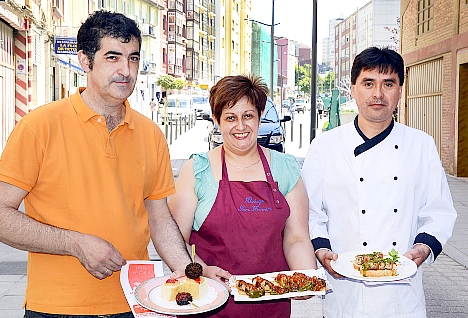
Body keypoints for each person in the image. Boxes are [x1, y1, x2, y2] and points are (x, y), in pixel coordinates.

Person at [0, 10, 191, 317]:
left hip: (133, 303)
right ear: (85, 61)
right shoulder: (39, 126)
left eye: (133, 58)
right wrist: (75, 243)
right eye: (112, 57)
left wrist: (185, 270)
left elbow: (159, 218)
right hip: (56, 308)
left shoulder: (151, 134)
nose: (126, 70)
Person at [301, 46, 457, 317]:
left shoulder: (421, 145)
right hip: (344, 290)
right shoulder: (325, 145)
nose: (378, 94)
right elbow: (309, 211)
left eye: (388, 84)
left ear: (400, 90)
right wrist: (321, 248)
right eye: (368, 83)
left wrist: (424, 247)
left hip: (403, 295)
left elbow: (439, 210)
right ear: (353, 89)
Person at [168, 75, 317, 317]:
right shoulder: (197, 170)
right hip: (208, 302)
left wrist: (306, 276)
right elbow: (176, 240)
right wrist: (203, 270)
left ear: (259, 116)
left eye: (248, 116)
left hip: (271, 307)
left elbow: (296, 237)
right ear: (216, 120)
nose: (240, 126)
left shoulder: (286, 168)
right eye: (230, 117)